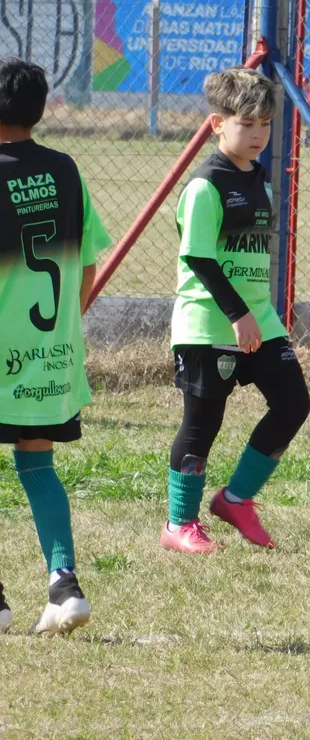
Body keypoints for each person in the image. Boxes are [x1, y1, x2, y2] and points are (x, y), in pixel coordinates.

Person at [161, 68, 310, 554]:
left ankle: (236, 498)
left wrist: (253, 313)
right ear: (216, 125)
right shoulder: (206, 186)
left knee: (293, 403)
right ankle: (179, 524)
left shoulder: (261, 181)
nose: (258, 135)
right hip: (210, 322)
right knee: (203, 421)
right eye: (246, 124)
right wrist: (236, 314)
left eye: (265, 124)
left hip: (258, 319)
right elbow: (198, 258)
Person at [0, 57, 112, 635]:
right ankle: (64, 585)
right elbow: (90, 261)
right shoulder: (66, 169)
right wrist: (67, 322)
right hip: (50, 352)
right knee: (37, 462)